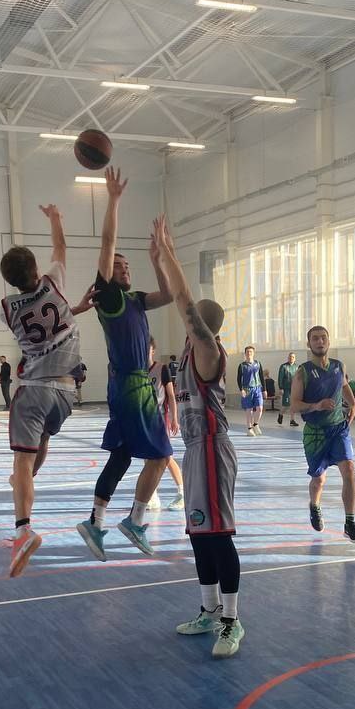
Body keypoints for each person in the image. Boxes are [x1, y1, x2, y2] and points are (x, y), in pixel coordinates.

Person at [152, 215, 243, 658]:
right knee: (198, 533)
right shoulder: (188, 352)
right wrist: (159, 261)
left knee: (219, 536)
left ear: (204, 327)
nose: (186, 322)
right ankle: (209, 610)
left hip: (212, 450)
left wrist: (169, 253)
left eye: (193, 321)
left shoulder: (208, 351)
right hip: (193, 451)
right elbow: (178, 300)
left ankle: (232, 621)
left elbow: (184, 300)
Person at [75, 167, 175, 562]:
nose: (124, 268)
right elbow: (107, 242)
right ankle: (135, 520)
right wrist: (113, 200)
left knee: (120, 456)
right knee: (161, 456)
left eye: (127, 265)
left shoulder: (134, 299)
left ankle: (95, 522)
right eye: (118, 266)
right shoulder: (111, 298)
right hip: (133, 388)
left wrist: (157, 258)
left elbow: (169, 294)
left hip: (125, 387)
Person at [0, 202, 96, 576]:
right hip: (67, 394)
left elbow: (39, 325)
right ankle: (23, 487)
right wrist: (56, 218)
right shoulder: (53, 282)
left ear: (10, 281)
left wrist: (73, 309)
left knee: (21, 460)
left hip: (35, 387)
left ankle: (23, 528)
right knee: (41, 444)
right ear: (36, 269)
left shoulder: (6, 308)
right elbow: (61, 247)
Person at [290, 326, 355, 542]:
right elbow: (294, 405)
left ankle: (350, 522)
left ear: (329, 342)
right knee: (319, 479)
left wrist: (353, 405)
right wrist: (316, 405)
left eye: (323, 338)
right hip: (315, 433)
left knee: (349, 470)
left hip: (338, 429)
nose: (320, 341)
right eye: (315, 339)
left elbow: (345, 388)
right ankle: (314, 505)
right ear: (309, 344)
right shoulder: (302, 372)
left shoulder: (338, 366)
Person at [147, 337, 185, 512]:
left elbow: (171, 396)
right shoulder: (139, 372)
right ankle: (153, 495)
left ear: (153, 350)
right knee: (148, 458)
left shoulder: (162, 369)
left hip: (160, 419)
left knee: (166, 456)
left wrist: (175, 418)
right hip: (145, 420)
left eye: (147, 348)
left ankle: (182, 492)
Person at [237, 345, 264, 435]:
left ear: (253, 353)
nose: (249, 353)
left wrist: (264, 390)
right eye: (247, 352)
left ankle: (255, 424)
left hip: (257, 388)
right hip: (247, 389)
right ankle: (249, 428)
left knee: (260, 408)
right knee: (249, 409)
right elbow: (238, 379)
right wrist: (241, 389)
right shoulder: (242, 366)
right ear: (245, 354)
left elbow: (261, 377)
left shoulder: (258, 363)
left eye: (251, 352)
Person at [277, 352, 300, 427]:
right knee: (286, 404)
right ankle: (280, 414)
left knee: (293, 404)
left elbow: (299, 378)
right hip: (286, 388)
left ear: (295, 358)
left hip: (294, 389)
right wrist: (281, 388)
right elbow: (280, 378)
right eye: (290, 357)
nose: (291, 358)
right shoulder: (283, 366)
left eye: (293, 357)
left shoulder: (297, 367)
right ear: (288, 358)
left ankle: (292, 420)